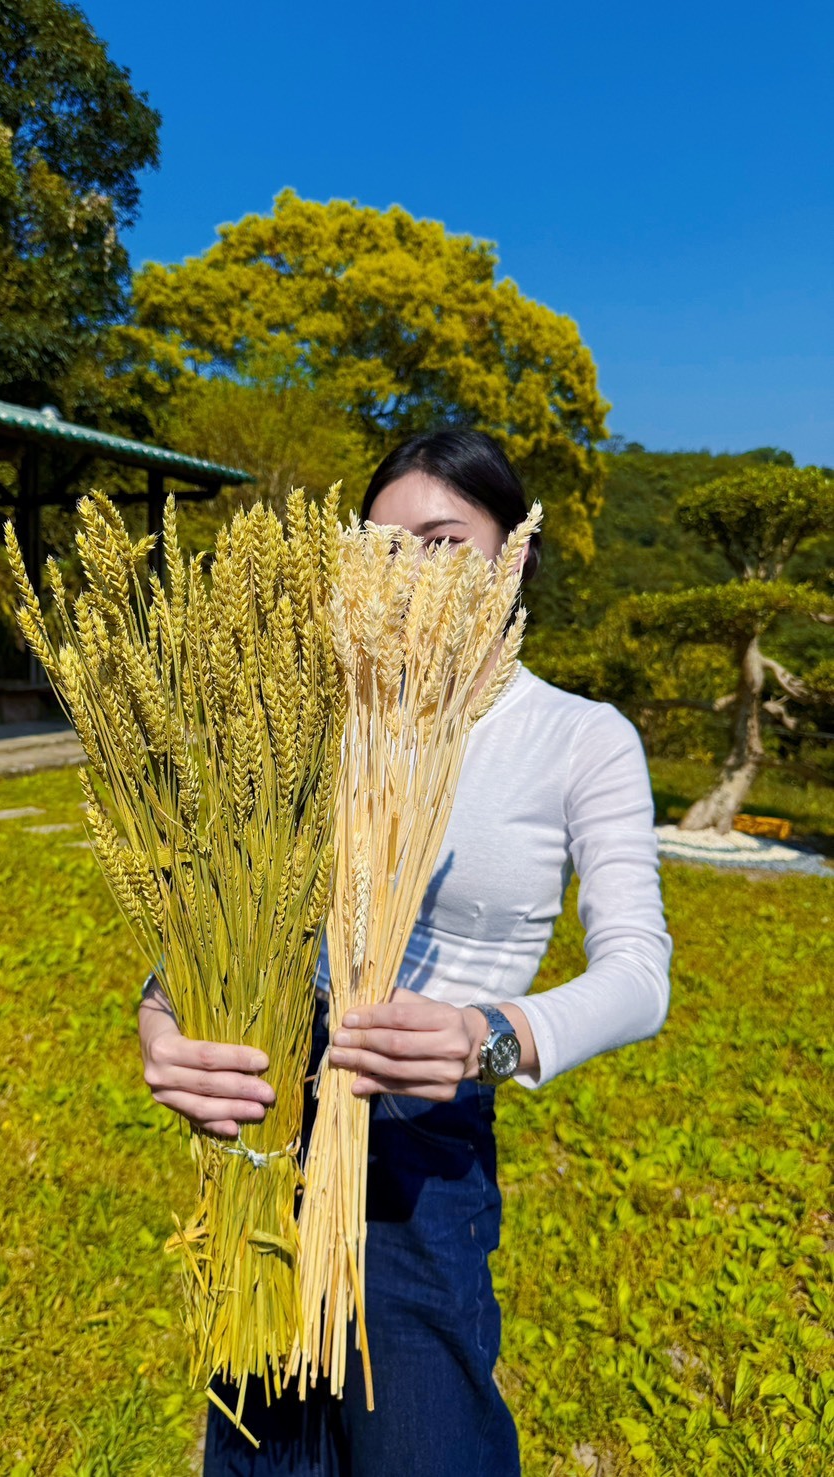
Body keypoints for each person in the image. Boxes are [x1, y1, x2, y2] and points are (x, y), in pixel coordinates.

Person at [137, 428, 673, 1476]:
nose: (408, 577)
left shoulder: (577, 735)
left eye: (441, 540)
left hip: (426, 1137)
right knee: (260, 1450)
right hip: (271, 1112)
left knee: (424, 1445)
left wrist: (493, 1038)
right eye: (380, 551)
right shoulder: (314, 718)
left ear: (510, 559)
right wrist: (166, 1015)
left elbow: (639, 975)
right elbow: (233, 905)